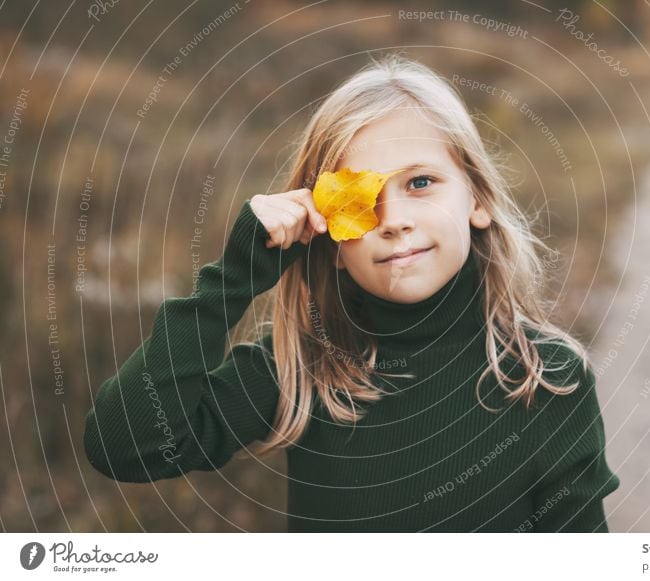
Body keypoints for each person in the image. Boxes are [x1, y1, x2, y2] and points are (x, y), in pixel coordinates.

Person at [83, 52, 620, 532]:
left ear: (477, 198)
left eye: (420, 183)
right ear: (328, 234)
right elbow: (125, 446)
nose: (395, 221)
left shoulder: (547, 380)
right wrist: (234, 278)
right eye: (359, 200)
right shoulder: (303, 367)